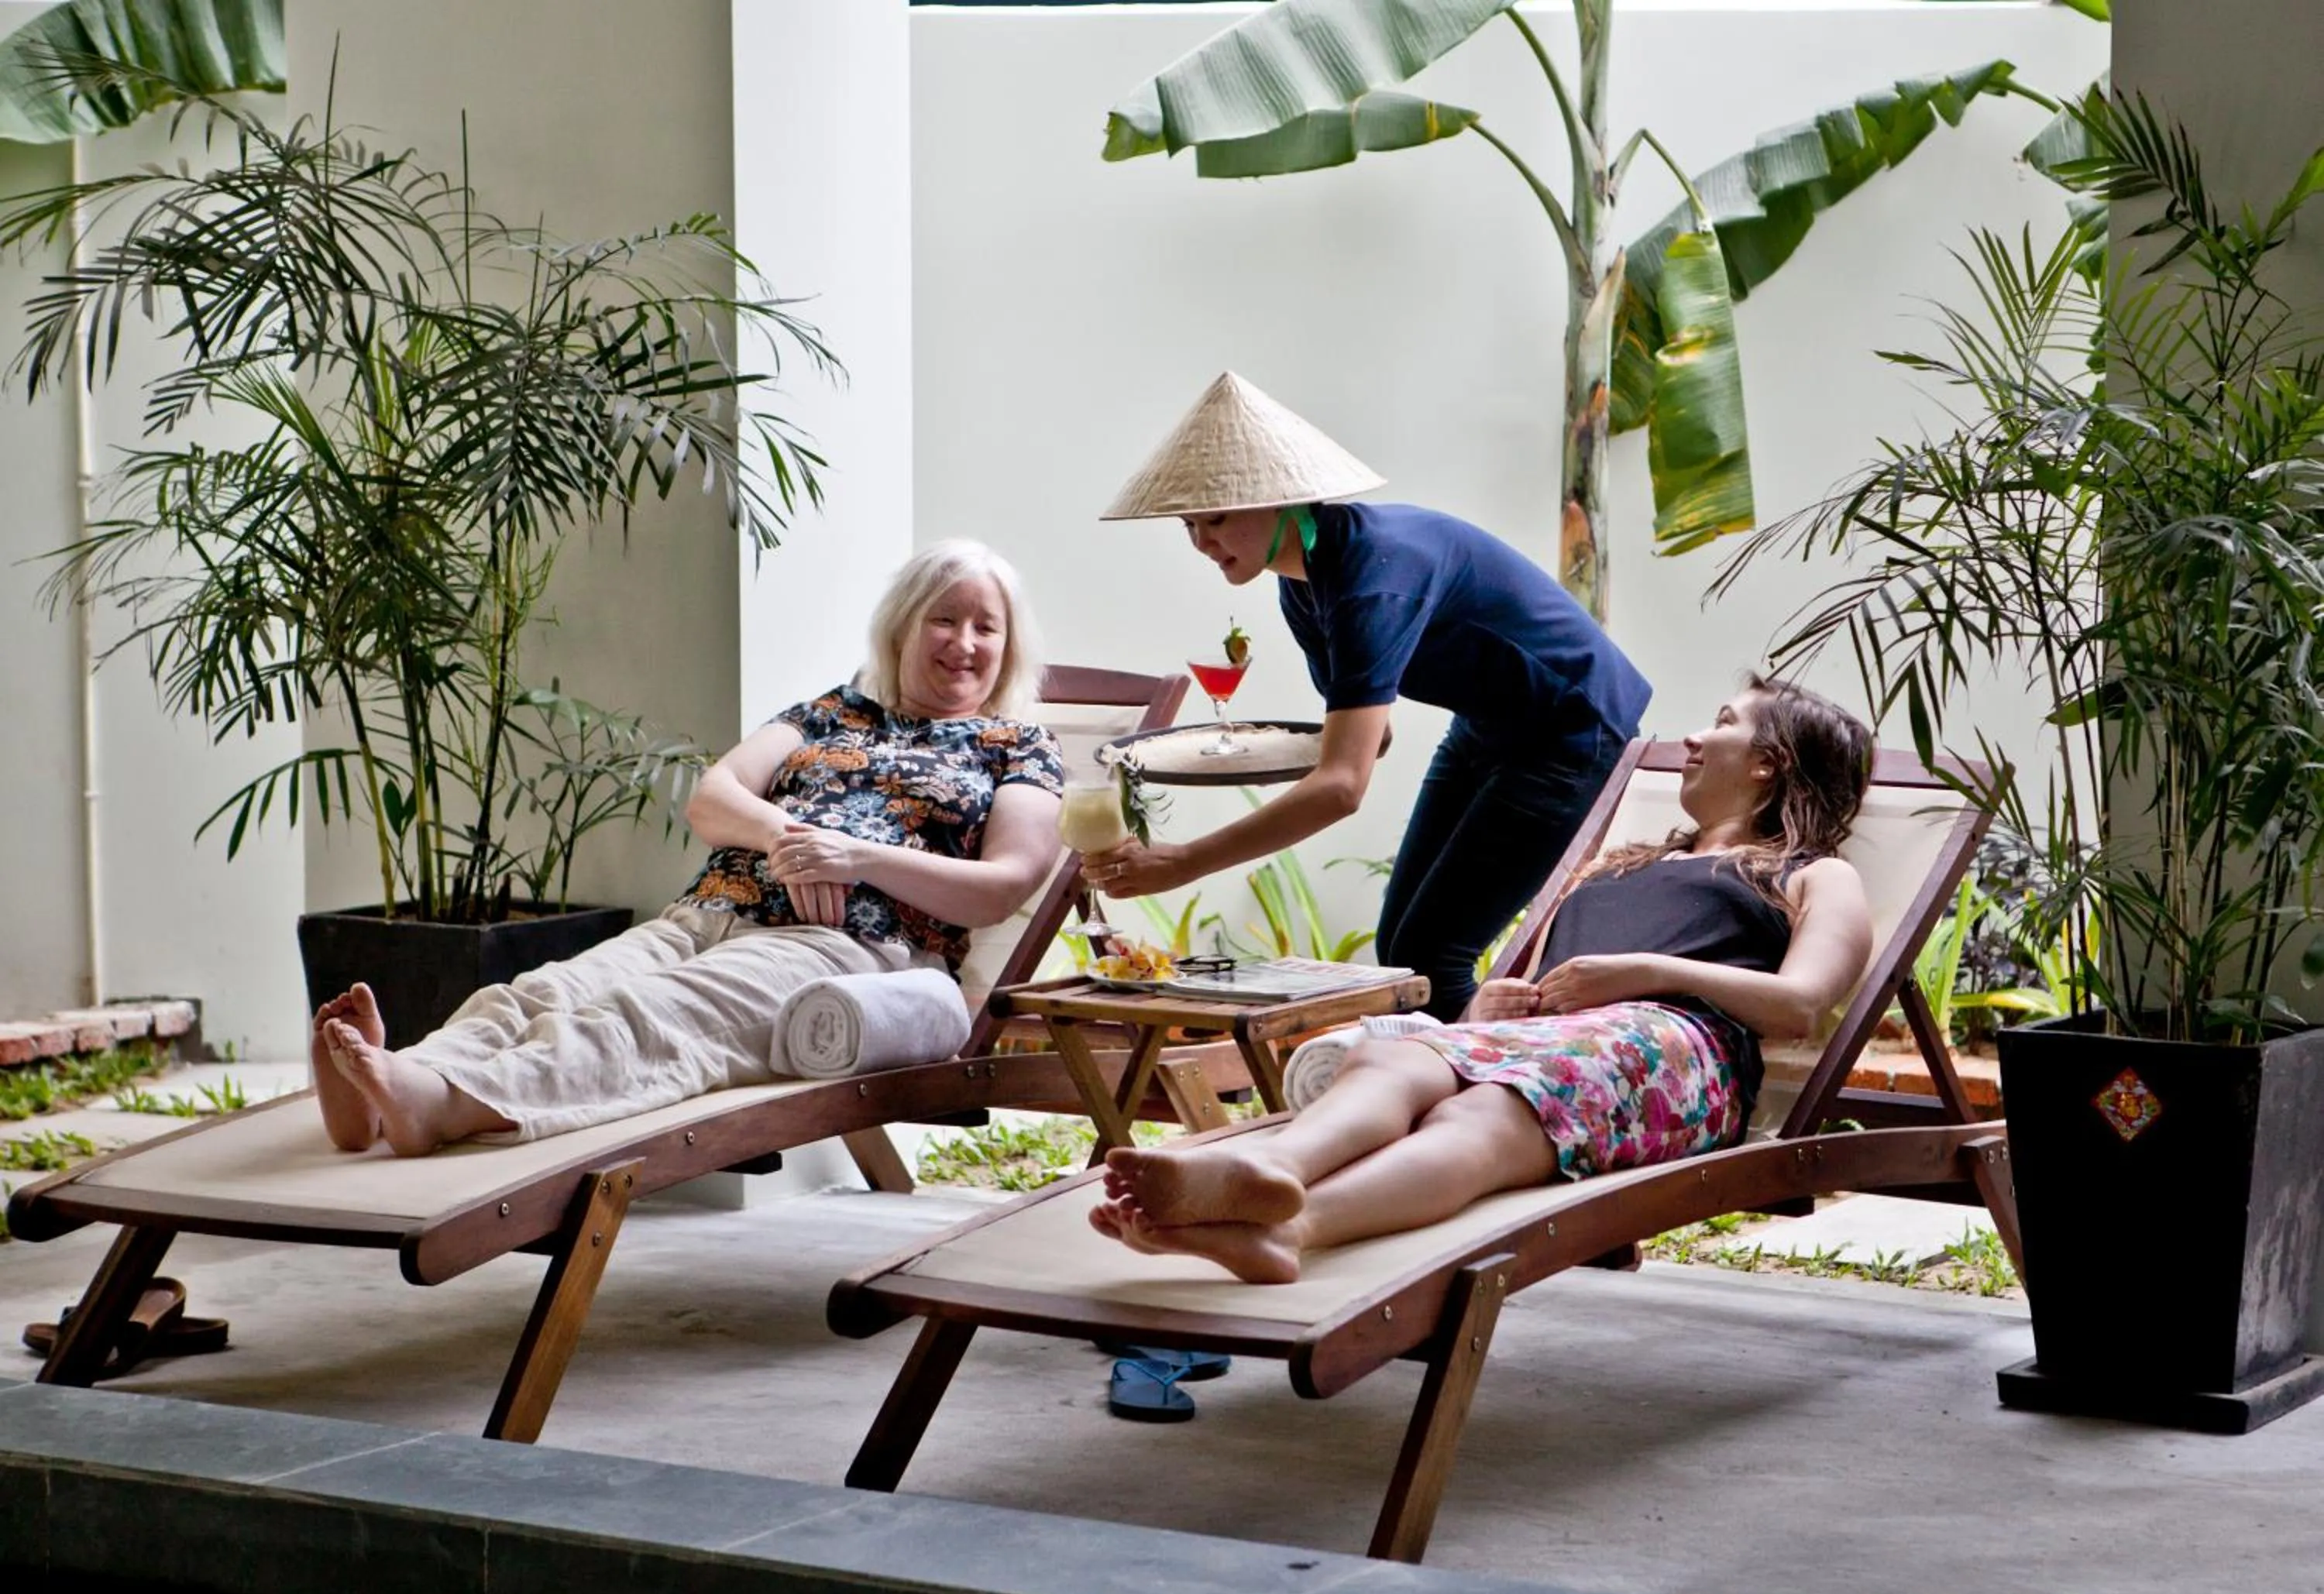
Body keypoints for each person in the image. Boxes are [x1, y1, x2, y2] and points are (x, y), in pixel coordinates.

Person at [1091, 675, 1875, 1284]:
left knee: (1488, 1113)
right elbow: (1540, 991)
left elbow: (1801, 1006)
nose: (1698, 737)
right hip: (1560, 1042)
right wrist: (1493, 1002)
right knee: (1394, 1057)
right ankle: (1272, 1177)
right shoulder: (1626, 863)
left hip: (1676, 1053)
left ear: (1770, 762)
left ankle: (1292, 1225)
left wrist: (1640, 973)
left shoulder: (1813, 876)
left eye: (1727, 723)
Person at [310, 540, 1065, 1156]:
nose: (965, 643)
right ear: (903, 626)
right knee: (542, 992)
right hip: (707, 912)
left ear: (1009, 643)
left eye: (986, 625)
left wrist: (853, 858)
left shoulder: (1015, 745)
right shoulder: (832, 712)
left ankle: (444, 1106)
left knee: (650, 1015)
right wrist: (785, 836)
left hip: (846, 943)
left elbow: (1004, 883)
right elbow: (714, 797)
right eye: (945, 619)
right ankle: (395, 1087)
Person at [1083, 372, 1652, 1022]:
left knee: (1431, 951)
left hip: (1574, 728)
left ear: (1284, 501)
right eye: (1188, 524)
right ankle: (1449, 1096)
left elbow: (1342, 786)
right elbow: (1368, 737)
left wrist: (1182, 861)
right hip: (1489, 724)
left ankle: (1502, 1094)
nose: (1201, 543)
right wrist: (1242, 758)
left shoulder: (1368, 581)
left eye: (1215, 519)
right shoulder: (1300, 581)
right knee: (1405, 951)